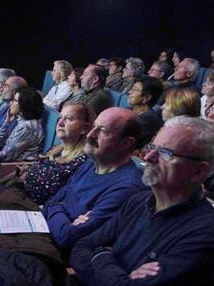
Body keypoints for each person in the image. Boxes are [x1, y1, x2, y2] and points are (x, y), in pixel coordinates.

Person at [62, 117, 214, 286]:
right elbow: (81, 248)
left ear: (199, 171)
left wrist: (100, 256)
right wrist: (111, 267)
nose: (148, 158)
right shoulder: (140, 200)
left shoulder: (206, 238)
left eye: (166, 153)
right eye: (152, 148)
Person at [41, 107, 146, 250]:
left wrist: (55, 209)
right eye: (94, 126)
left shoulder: (127, 188)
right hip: (44, 231)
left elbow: (68, 237)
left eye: (102, 131)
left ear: (126, 143)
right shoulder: (90, 163)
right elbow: (51, 202)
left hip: (54, 254)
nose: (90, 135)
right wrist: (58, 210)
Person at [20, 101, 95, 205]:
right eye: (60, 118)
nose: (60, 123)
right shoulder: (56, 149)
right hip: (22, 194)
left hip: (38, 212)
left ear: (84, 128)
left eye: (68, 118)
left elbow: (68, 200)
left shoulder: (83, 163)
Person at [0, 86, 45, 164]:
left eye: (14, 101)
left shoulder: (27, 127)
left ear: (24, 105)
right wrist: (7, 121)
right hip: (6, 162)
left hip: (13, 167)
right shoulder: (20, 120)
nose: (11, 103)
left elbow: (7, 156)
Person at [127, 75, 165, 146]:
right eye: (132, 89)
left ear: (146, 98)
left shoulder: (148, 120)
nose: (129, 92)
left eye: (135, 90)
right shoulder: (128, 109)